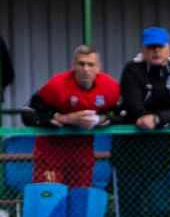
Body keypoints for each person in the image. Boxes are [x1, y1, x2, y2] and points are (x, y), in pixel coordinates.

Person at [114, 27, 170, 217]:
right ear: (143, 50)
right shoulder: (132, 70)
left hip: (159, 156)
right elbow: (135, 109)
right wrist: (148, 117)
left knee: (161, 210)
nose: (156, 51)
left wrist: (157, 118)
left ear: (169, 48)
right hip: (128, 155)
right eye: (151, 47)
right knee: (128, 212)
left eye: (160, 47)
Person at [22, 45, 122, 191]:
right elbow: (28, 114)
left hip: (82, 156)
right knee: (49, 200)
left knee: (79, 201)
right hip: (50, 154)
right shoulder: (57, 86)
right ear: (73, 65)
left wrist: (100, 119)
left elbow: (123, 114)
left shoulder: (110, 87)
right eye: (81, 64)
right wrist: (65, 118)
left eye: (90, 64)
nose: (85, 69)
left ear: (98, 67)